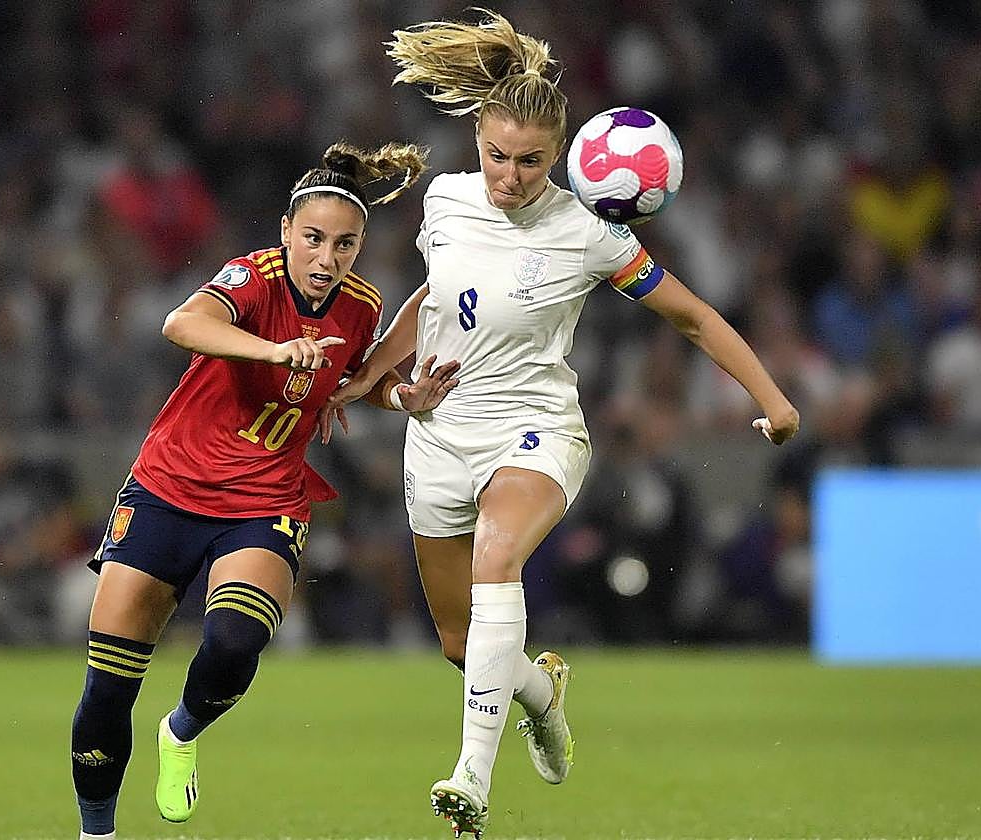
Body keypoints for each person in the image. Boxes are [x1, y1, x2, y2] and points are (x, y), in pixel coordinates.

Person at [324, 11, 800, 838]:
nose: (509, 176)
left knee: (496, 554)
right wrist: (372, 372)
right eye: (497, 156)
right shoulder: (444, 199)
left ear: (564, 158)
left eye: (531, 162)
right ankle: (542, 695)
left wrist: (773, 397)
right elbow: (435, 297)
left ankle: (470, 777)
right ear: (478, 138)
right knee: (457, 643)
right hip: (439, 435)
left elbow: (689, 317)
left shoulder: (590, 235)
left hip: (535, 428)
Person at [69, 140, 461, 840]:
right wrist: (273, 349)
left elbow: (345, 389)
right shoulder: (253, 274)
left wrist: (404, 396)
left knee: (235, 641)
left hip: (264, 500)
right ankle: (96, 833)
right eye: (312, 239)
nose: (326, 258)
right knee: (106, 689)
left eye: (344, 245)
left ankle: (182, 731)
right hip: (167, 486)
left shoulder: (362, 307)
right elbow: (181, 323)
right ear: (286, 234)